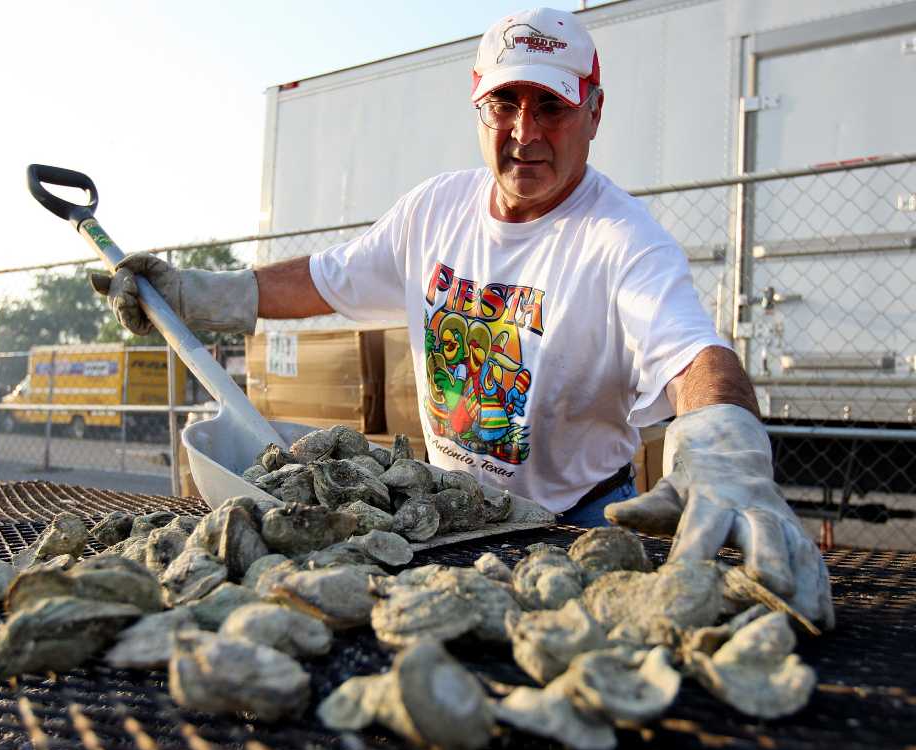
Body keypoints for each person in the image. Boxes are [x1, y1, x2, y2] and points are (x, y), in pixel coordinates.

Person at [90, 8, 833, 628]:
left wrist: (723, 440)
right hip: (448, 517)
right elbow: (326, 278)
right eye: (505, 105)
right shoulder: (435, 210)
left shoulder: (622, 242)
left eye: (552, 106)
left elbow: (694, 355)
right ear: (479, 106)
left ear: (594, 112)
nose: (525, 133)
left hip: (572, 522)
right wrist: (199, 296)